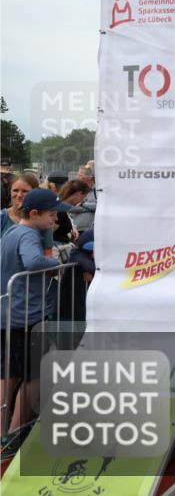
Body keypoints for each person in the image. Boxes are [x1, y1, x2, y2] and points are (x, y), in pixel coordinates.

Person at [0, 188, 72, 458]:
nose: (54, 220)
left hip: (9, 314)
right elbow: (32, 261)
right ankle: (16, 432)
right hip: (26, 315)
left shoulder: (11, 233)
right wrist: (59, 262)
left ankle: (4, 433)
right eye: (52, 215)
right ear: (34, 214)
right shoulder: (28, 234)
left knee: (9, 375)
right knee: (34, 375)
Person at [53, 180, 89, 244]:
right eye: (84, 197)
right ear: (79, 194)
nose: (83, 201)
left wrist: (71, 228)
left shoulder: (62, 207)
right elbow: (49, 233)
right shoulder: (60, 210)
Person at [67, 165, 97, 231]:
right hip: (75, 228)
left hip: (91, 229)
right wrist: (88, 208)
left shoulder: (97, 190)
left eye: (80, 175)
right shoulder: (75, 189)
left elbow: (98, 206)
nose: (77, 177)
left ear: (89, 177)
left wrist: (82, 204)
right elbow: (69, 207)